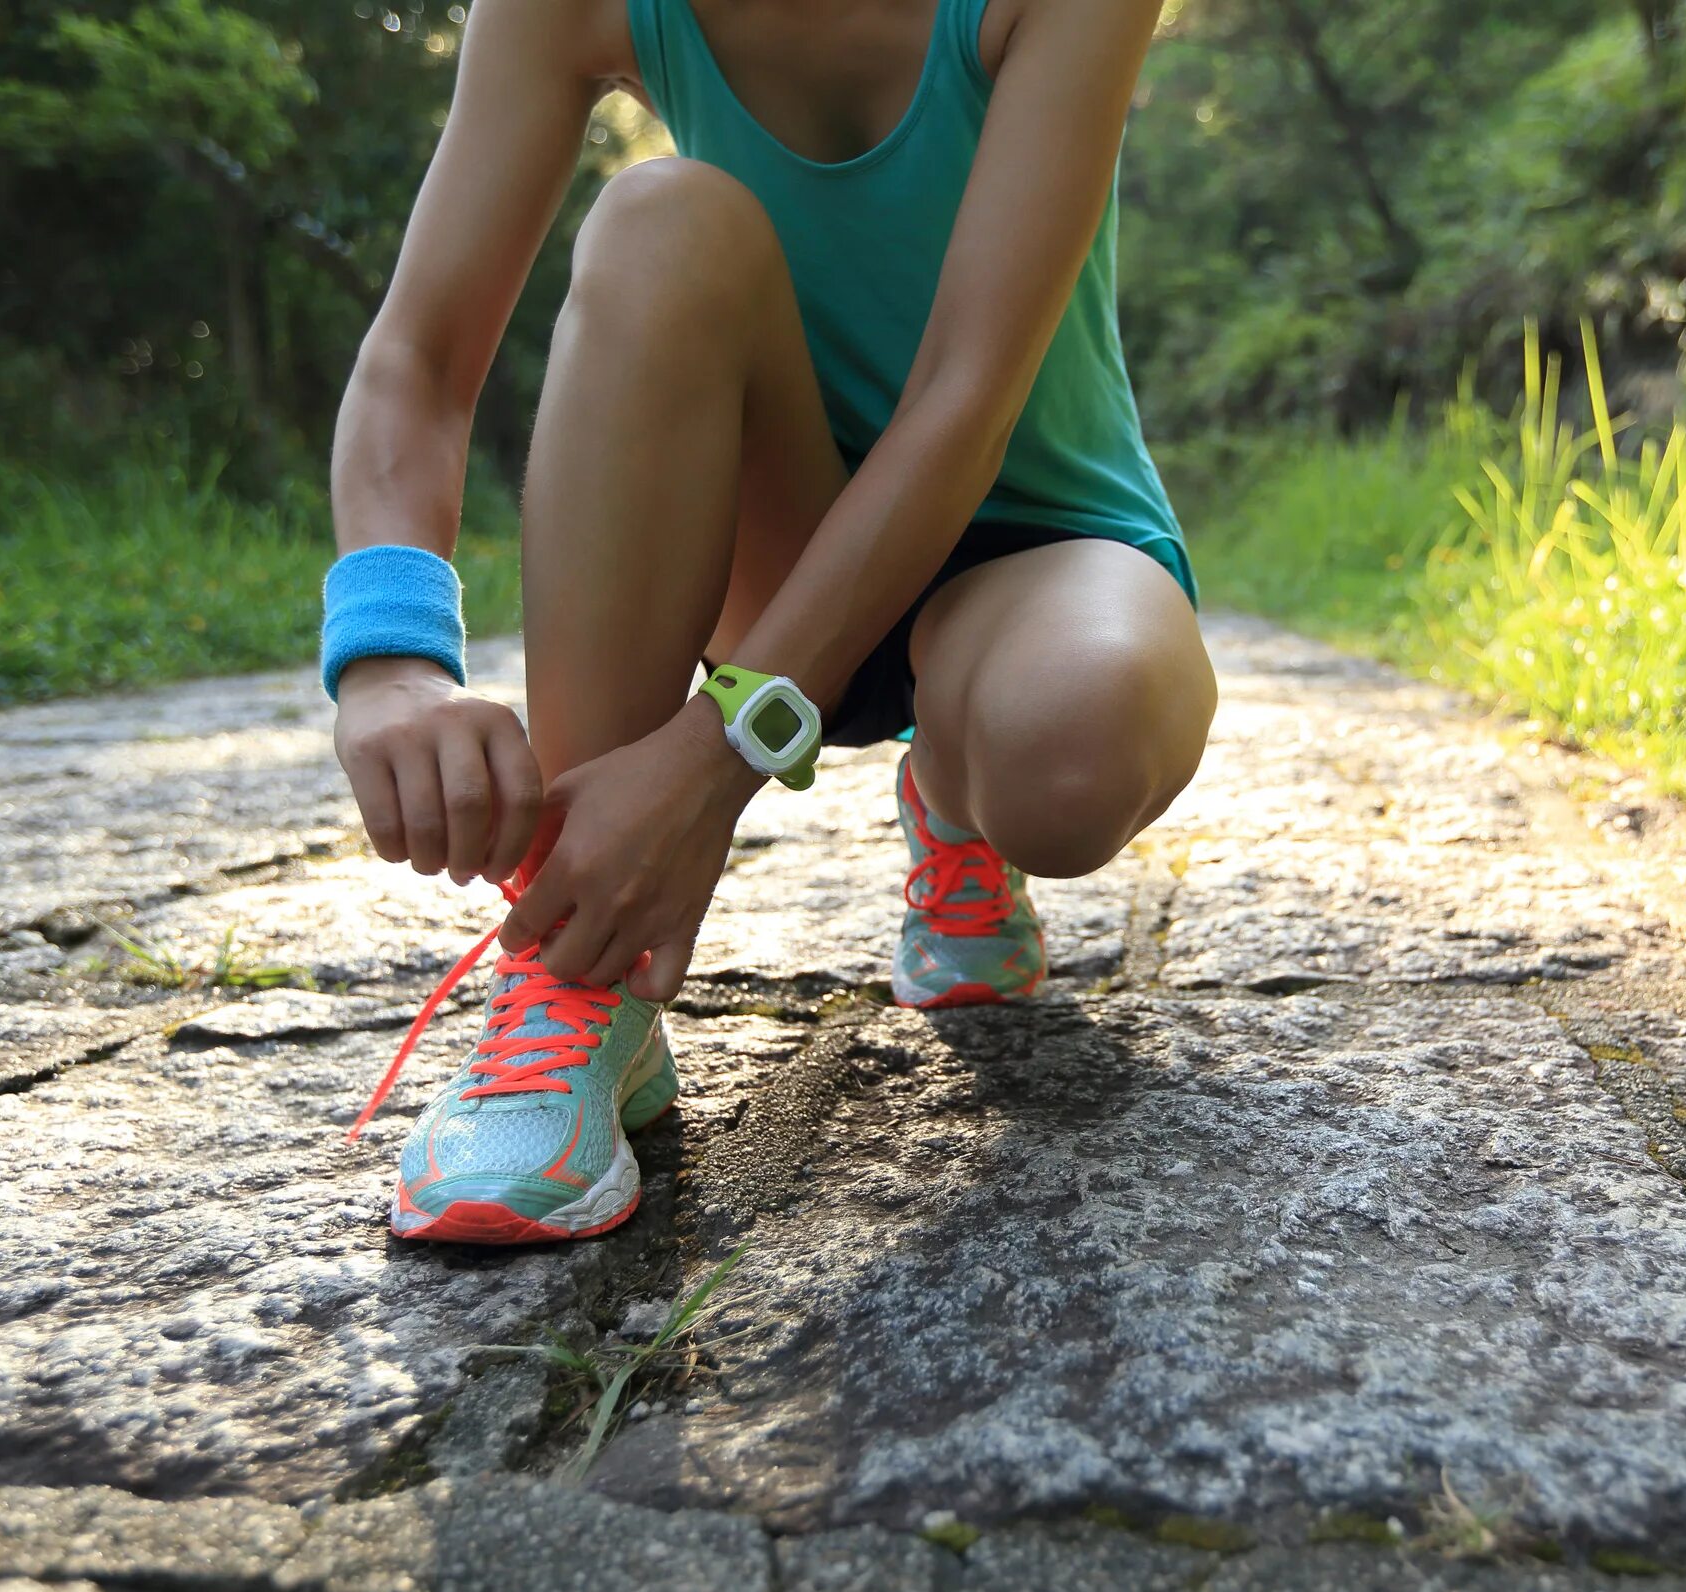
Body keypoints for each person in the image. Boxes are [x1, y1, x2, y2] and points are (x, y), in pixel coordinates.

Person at [319, 0, 1216, 1245]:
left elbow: (967, 393)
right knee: (656, 219)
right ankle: (581, 973)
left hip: (1034, 523)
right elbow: (416, 358)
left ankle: (952, 786)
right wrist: (390, 656)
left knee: (1074, 748)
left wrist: (713, 756)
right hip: (777, 528)